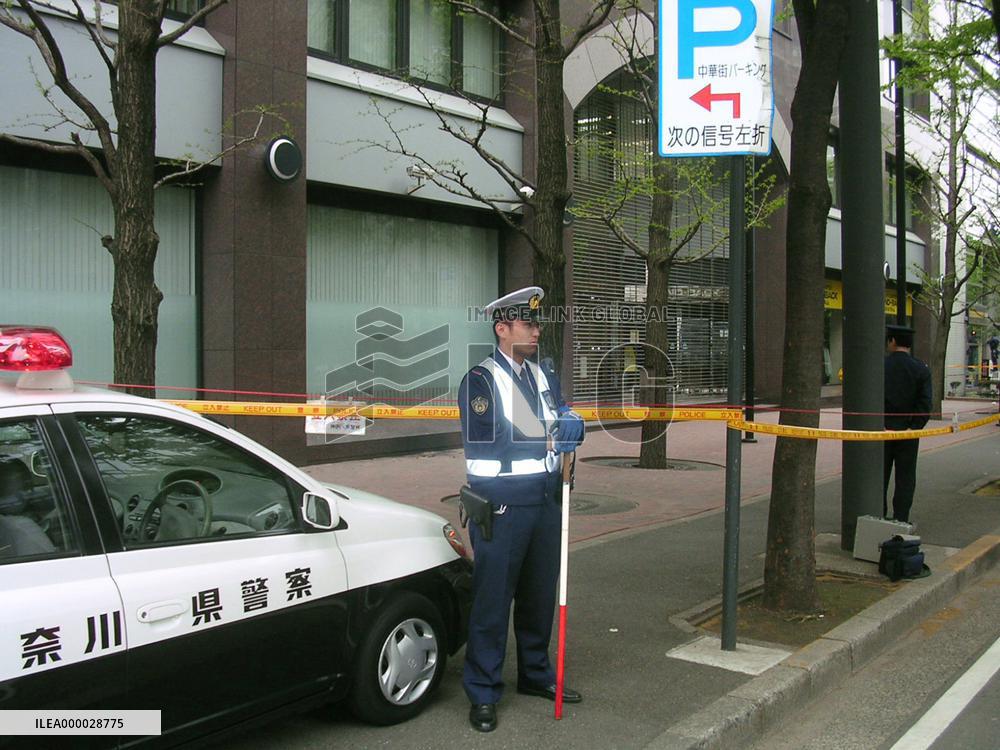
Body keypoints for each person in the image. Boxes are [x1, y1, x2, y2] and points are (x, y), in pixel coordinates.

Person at [458, 286, 586, 733]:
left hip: (546, 499)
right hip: (503, 504)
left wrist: (571, 419)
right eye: (528, 324)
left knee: (537, 595)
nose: (536, 330)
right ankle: (482, 690)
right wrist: (552, 437)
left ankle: (534, 673)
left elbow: (557, 413)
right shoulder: (481, 380)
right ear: (502, 328)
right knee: (492, 601)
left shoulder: (541, 373)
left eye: (537, 323)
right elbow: (486, 443)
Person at [883, 324, 932, 523]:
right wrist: (915, 426)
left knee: (879, 476)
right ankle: (901, 518)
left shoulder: (881, 366)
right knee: (905, 477)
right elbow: (925, 402)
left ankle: (878, 516)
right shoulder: (920, 369)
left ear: (892, 341)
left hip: (882, 430)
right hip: (908, 431)